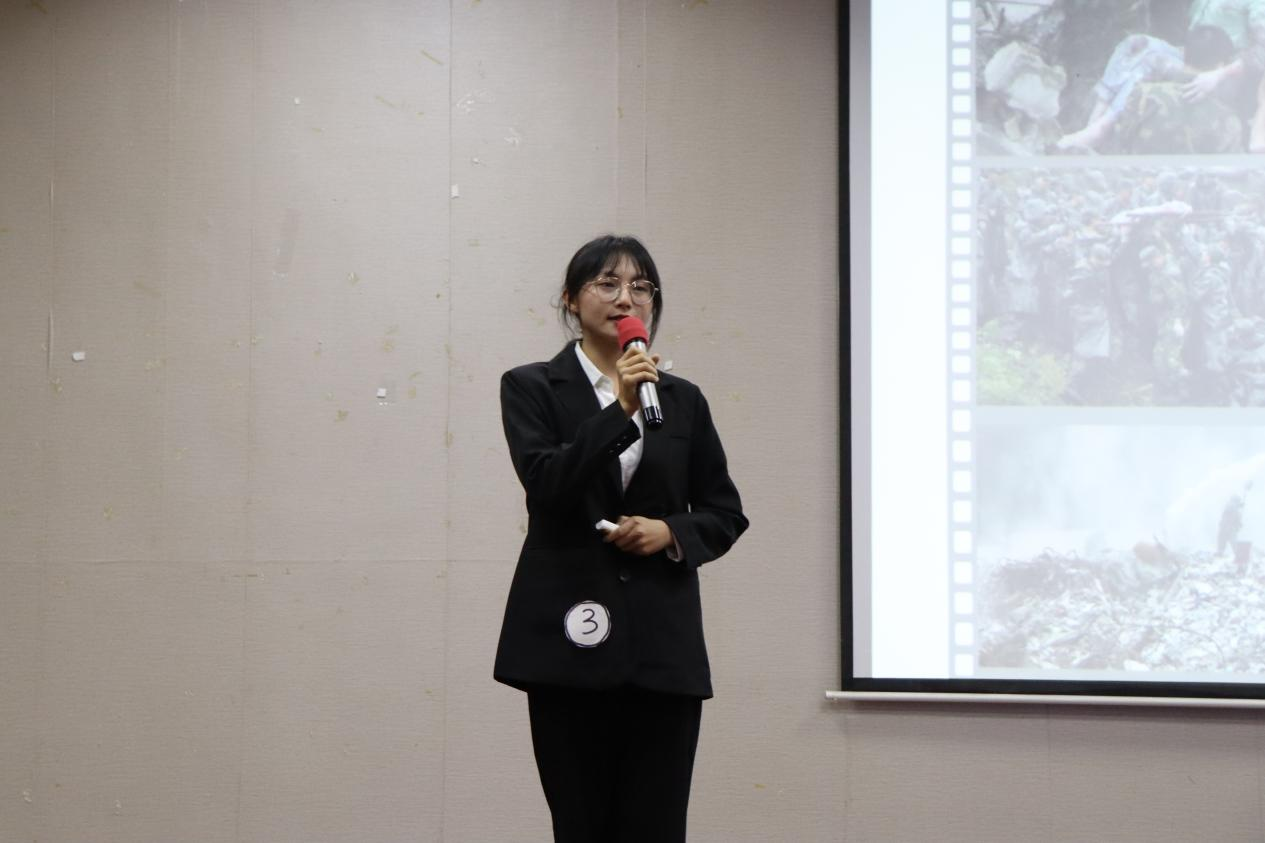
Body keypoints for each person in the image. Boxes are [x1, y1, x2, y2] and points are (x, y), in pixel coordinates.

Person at [493, 234, 749, 842]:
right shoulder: (531, 386)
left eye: (640, 286)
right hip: (569, 640)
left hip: (662, 647)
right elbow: (547, 484)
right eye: (606, 283)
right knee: (582, 825)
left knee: (657, 827)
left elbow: (724, 512)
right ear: (570, 299)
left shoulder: (682, 400)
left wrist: (670, 531)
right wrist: (620, 410)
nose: (625, 298)